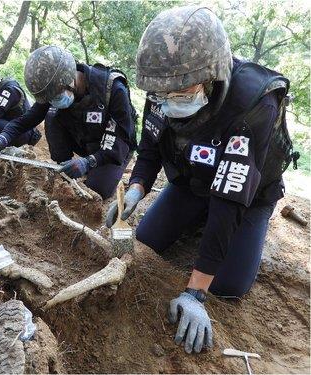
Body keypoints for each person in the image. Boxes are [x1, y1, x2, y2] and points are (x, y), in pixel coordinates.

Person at [106, 6, 293, 354]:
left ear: (213, 75)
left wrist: (195, 292)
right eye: (162, 93)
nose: (167, 100)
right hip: (193, 182)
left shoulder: (253, 104)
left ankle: (236, 236)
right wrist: (136, 188)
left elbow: (229, 200)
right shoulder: (162, 90)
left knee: (228, 284)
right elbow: (150, 148)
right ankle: (194, 218)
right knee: (146, 239)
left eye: (181, 91)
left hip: (247, 196)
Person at [0, 45, 137, 200]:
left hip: (112, 148)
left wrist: (89, 162)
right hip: (84, 141)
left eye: (55, 96)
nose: (53, 100)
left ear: (69, 79)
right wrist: (1, 139)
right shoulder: (53, 89)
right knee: (52, 114)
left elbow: (121, 140)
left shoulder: (112, 89)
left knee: (97, 190)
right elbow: (26, 120)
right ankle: (64, 164)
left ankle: (92, 170)